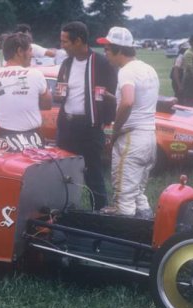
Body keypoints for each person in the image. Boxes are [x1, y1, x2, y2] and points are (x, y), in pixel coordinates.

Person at [97, 26, 159, 218]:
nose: (105, 53)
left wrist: (115, 130)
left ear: (119, 49)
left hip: (131, 140)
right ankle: (148, 234)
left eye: (107, 49)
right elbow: (138, 100)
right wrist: (111, 97)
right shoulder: (148, 68)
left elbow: (129, 101)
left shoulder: (126, 71)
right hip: (149, 138)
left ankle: (123, 244)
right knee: (138, 194)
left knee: (123, 200)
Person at [56, 21, 116, 210]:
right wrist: (58, 95)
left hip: (90, 128)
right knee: (62, 173)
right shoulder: (66, 64)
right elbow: (60, 91)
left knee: (93, 174)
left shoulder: (101, 62)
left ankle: (99, 214)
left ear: (79, 41)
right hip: (66, 126)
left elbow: (113, 94)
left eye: (65, 42)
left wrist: (105, 122)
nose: (62, 46)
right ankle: (63, 212)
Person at [0, 32, 52, 138]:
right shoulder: (35, 74)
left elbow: (4, 101)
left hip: (4, 136)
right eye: (30, 50)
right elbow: (47, 105)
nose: (32, 55)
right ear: (20, 51)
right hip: (31, 136)